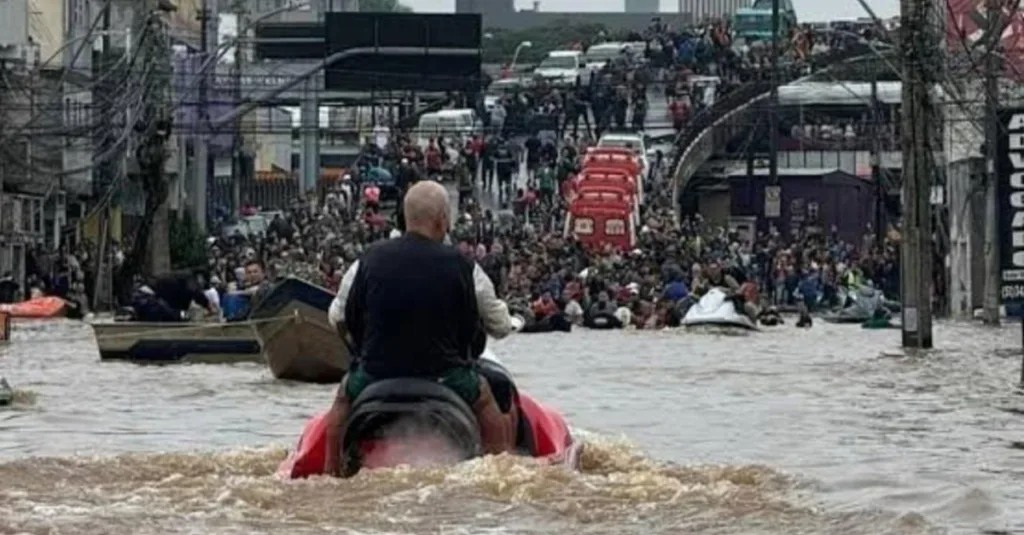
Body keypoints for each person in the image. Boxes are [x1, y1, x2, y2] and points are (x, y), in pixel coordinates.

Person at [324, 181, 516, 476]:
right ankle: (502, 474)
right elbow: (500, 326)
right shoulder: (464, 266)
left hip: (375, 375)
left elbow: (337, 317)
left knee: (341, 400)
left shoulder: (368, 260)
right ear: (441, 218)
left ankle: (329, 477)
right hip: (446, 377)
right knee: (487, 398)